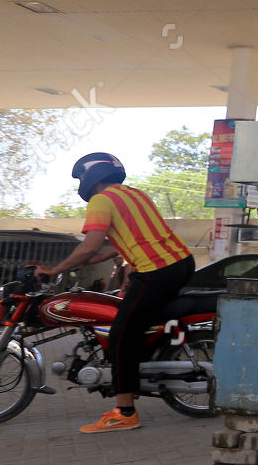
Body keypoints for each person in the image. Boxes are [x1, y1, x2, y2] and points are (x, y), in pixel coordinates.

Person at [32, 152, 195, 433]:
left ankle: (125, 411)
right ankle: (147, 363)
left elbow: (91, 244)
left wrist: (55, 269)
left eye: (80, 178)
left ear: (89, 177)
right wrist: (88, 259)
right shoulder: (134, 195)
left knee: (121, 334)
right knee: (136, 318)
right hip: (179, 263)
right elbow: (119, 243)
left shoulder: (101, 200)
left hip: (156, 271)